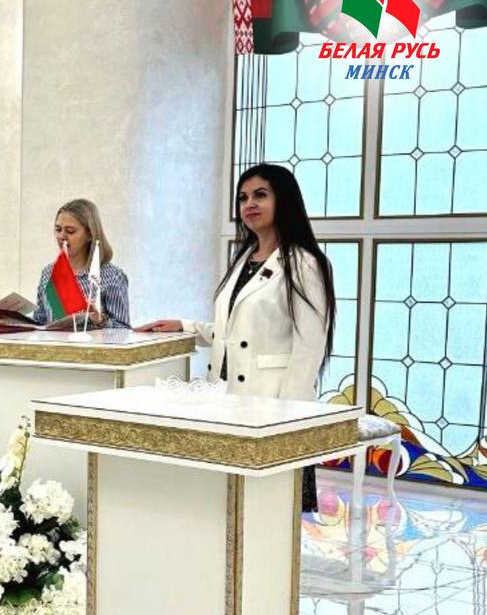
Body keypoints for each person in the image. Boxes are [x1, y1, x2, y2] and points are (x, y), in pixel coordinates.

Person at [137, 162, 336, 511]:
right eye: (243, 198)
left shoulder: (303, 263)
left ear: (284, 200)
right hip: (227, 398)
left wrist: (289, 414)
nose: (249, 204)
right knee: (228, 504)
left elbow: (309, 346)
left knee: (270, 508)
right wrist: (186, 326)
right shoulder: (244, 258)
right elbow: (237, 332)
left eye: (260, 195)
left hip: (272, 403)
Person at [32, 198, 130, 328]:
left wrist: (101, 321)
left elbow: (124, 331)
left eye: (70, 231)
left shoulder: (113, 276)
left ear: (90, 234)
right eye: (58, 229)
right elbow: (40, 323)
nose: (61, 236)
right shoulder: (48, 272)